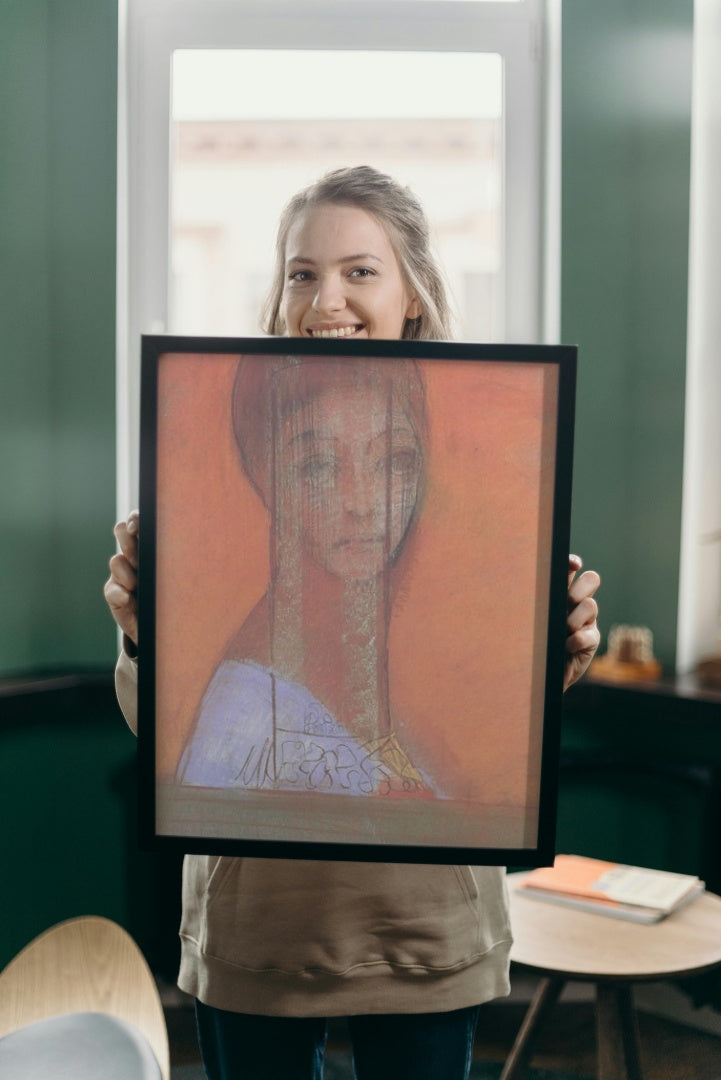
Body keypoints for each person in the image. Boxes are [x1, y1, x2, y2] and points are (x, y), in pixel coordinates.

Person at [105, 165, 601, 1080]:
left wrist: (553, 656)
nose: (325, 298)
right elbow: (170, 742)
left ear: (412, 291)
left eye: (359, 271)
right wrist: (145, 639)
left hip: (425, 928)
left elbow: (499, 737)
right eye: (301, 272)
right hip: (261, 930)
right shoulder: (224, 615)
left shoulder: (491, 494)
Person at [178, 354, 437, 796]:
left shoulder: (378, 674)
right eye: (318, 466)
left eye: (392, 461)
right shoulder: (247, 716)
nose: (362, 502)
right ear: (264, 475)